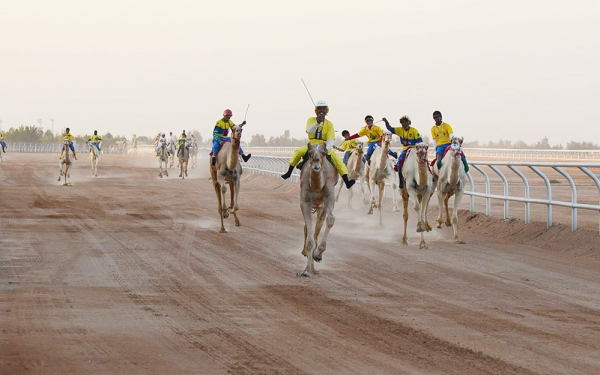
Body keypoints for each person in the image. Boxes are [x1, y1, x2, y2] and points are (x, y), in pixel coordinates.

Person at [280, 100, 355, 189]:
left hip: (323, 145)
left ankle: (347, 181)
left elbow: (330, 139)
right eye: (319, 109)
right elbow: (309, 131)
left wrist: (326, 149)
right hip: (311, 144)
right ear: (316, 111)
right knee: (299, 151)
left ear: (326, 111)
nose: (322, 110)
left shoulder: (329, 124)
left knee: (336, 159)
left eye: (324, 109)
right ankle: (289, 172)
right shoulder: (311, 120)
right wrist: (317, 122)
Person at [384, 115, 423, 189]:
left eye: (405, 122)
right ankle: (401, 181)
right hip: (405, 149)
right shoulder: (399, 130)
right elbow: (390, 128)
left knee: (424, 161)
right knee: (399, 163)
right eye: (402, 122)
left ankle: (427, 177)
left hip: (414, 149)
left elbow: (420, 141)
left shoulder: (414, 130)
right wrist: (386, 122)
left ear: (409, 122)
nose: (404, 123)